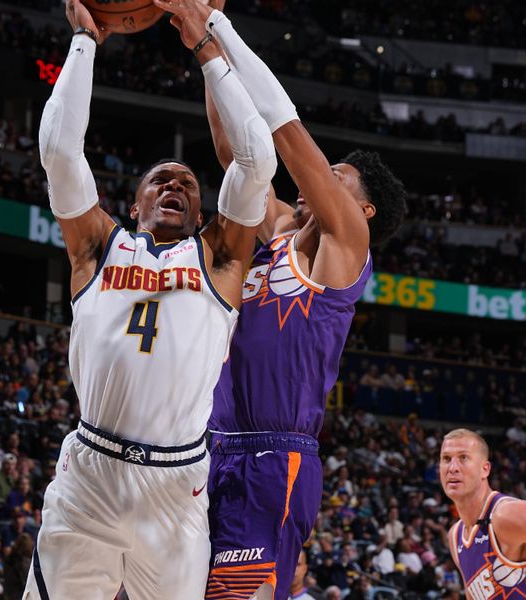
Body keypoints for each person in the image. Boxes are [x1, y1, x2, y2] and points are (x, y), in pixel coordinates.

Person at [23, 0, 276, 595]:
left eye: (187, 184)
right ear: (133, 206)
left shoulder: (220, 257)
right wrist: (84, 42)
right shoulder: (96, 248)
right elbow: (60, 154)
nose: (175, 186)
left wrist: (206, 47)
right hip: (91, 472)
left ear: (198, 209)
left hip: (176, 486)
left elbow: (257, 159)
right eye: (160, 180)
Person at [155, 1, 406, 598]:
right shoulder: (279, 232)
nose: (318, 178)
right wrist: (203, 49)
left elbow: (286, 135)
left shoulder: (346, 247)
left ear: (360, 208)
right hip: (209, 446)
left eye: (337, 177)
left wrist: (218, 27)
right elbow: (235, 156)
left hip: (276, 458)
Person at [441, 429, 526, 597]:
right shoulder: (455, 535)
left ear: (485, 469)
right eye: (446, 459)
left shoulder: (506, 514)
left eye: (463, 458)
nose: (453, 468)